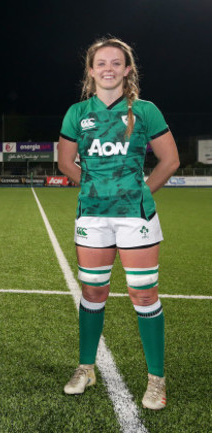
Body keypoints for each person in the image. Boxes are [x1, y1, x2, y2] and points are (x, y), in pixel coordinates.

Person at [57, 37, 179, 410]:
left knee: (143, 295)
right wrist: (96, 187)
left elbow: (169, 161)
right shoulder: (77, 113)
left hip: (135, 218)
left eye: (116, 63)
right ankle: (86, 367)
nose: (108, 69)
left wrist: (141, 193)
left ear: (127, 69)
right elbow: (65, 163)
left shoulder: (146, 111)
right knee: (93, 293)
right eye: (101, 63)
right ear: (91, 71)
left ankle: (155, 379)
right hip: (92, 216)